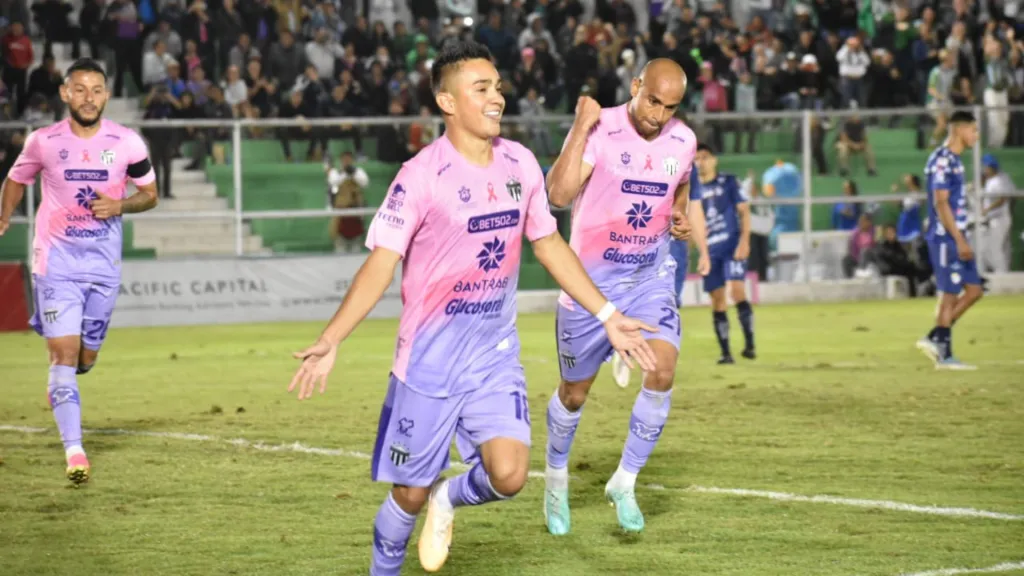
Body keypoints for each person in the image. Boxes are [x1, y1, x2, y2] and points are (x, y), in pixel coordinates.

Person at [284, 41, 657, 576]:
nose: (496, 97)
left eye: (499, 86)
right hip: (430, 364)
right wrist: (332, 336)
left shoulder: (520, 163)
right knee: (407, 496)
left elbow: (549, 245)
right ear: (447, 102)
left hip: (493, 356)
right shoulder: (419, 175)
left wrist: (608, 314)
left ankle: (449, 499)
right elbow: (380, 265)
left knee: (508, 476)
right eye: (481, 88)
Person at [542, 58, 709, 536]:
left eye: (669, 107)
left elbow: (681, 181)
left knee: (662, 369)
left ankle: (625, 479)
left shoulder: (684, 140)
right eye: (652, 100)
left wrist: (678, 212)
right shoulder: (602, 130)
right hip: (589, 286)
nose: (658, 115)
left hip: (649, 278)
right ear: (636, 86)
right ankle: (555, 478)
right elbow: (558, 194)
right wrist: (579, 127)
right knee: (574, 394)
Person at [0, 58, 159, 484]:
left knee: (85, 358)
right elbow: (16, 180)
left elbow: (150, 194)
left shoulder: (127, 143)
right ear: (65, 93)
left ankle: (65, 381)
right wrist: (3, 217)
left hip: (103, 268)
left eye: (97, 90)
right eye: (80, 89)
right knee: (63, 356)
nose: (89, 97)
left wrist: (120, 204)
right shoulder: (43, 141)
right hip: (55, 264)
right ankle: (75, 451)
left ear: (106, 96)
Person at [609, 161, 705, 388]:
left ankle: (647, 358)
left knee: (667, 305)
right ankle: (627, 344)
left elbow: (695, 209)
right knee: (630, 299)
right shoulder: (632, 155)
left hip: (674, 248)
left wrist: (703, 250)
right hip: (635, 244)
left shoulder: (685, 161)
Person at [915, 110, 982, 370]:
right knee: (949, 295)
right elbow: (941, 202)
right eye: (973, 130)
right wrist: (959, 240)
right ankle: (944, 355)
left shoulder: (955, 160)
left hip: (956, 235)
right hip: (945, 237)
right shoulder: (942, 160)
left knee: (974, 290)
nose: (976, 135)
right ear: (959, 131)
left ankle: (935, 337)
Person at [694, 143, 755, 364]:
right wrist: (699, 250)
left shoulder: (729, 182)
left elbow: (744, 211)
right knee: (718, 300)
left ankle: (749, 344)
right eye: (697, 158)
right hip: (710, 252)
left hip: (732, 246)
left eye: (705, 157)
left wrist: (745, 241)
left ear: (714, 160)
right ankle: (726, 353)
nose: (701, 162)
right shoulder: (691, 190)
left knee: (738, 291)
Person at [979, 153, 1014, 273]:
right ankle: (1000, 271)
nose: (984, 169)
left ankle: (1002, 273)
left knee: (995, 248)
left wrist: (987, 209)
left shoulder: (998, 180)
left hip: (1000, 218)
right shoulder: (991, 180)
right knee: (989, 248)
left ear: (990, 167)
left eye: (985, 167)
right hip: (994, 219)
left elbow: (1002, 199)